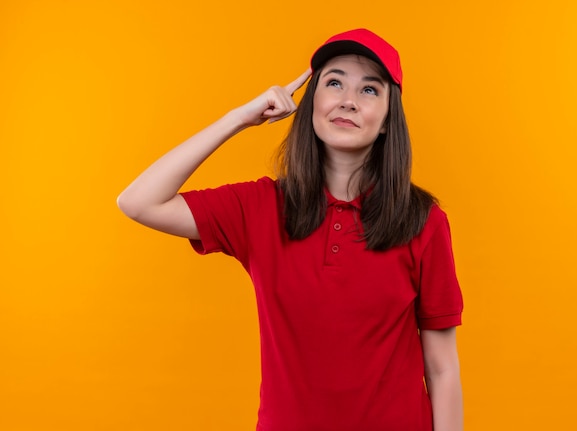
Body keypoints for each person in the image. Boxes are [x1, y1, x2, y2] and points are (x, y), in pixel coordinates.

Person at [118, 28, 464, 431]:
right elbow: (139, 201)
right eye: (334, 83)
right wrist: (238, 119)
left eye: (370, 90)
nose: (348, 101)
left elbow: (442, 369)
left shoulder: (423, 220)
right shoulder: (260, 208)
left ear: (388, 121)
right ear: (311, 101)